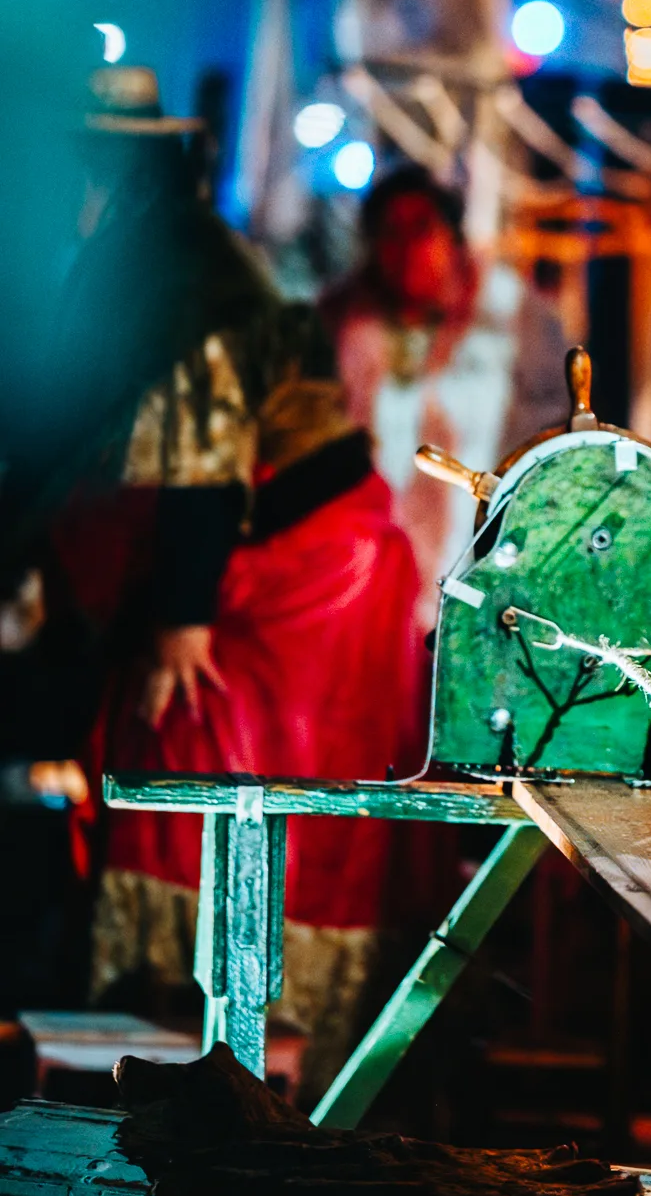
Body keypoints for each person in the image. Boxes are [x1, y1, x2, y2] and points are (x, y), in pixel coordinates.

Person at [15, 67, 427, 1093]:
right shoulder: (145, 256)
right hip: (266, 560)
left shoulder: (189, 271)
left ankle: (224, 1051)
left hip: (299, 580)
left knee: (195, 757)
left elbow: (205, 450)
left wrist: (181, 617)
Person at [321, 165, 569, 621]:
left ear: (452, 237)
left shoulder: (513, 315)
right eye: (390, 233)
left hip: (483, 574)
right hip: (364, 579)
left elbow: (552, 442)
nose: (407, 249)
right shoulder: (345, 324)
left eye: (422, 228)